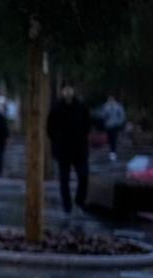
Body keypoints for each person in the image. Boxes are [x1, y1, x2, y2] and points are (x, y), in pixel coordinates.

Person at [47, 82, 91, 214]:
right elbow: (50, 128)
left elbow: (87, 124)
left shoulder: (81, 106)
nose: (68, 91)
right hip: (63, 150)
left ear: (73, 90)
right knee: (64, 180)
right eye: (65, 89)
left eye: (70, 89)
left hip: (79, 149)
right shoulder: (56, 108)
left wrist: (82, 137)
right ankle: (67, 206)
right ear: (62, 91)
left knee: (84, 176)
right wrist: (56, 142)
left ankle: (79, 200)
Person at [101, 93, 126, 162]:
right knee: (110, 139)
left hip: (115, 125)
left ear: (114, 99)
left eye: (111, 98)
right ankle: (112, 151)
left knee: (114, 138)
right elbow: (102, 115)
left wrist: (119, 123)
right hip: (108, 125)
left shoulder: (118, 106)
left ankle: (113, 152)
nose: (110, 100)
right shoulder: (105, 106)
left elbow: (122, 115)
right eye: (109, 98)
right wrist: (105, 116)